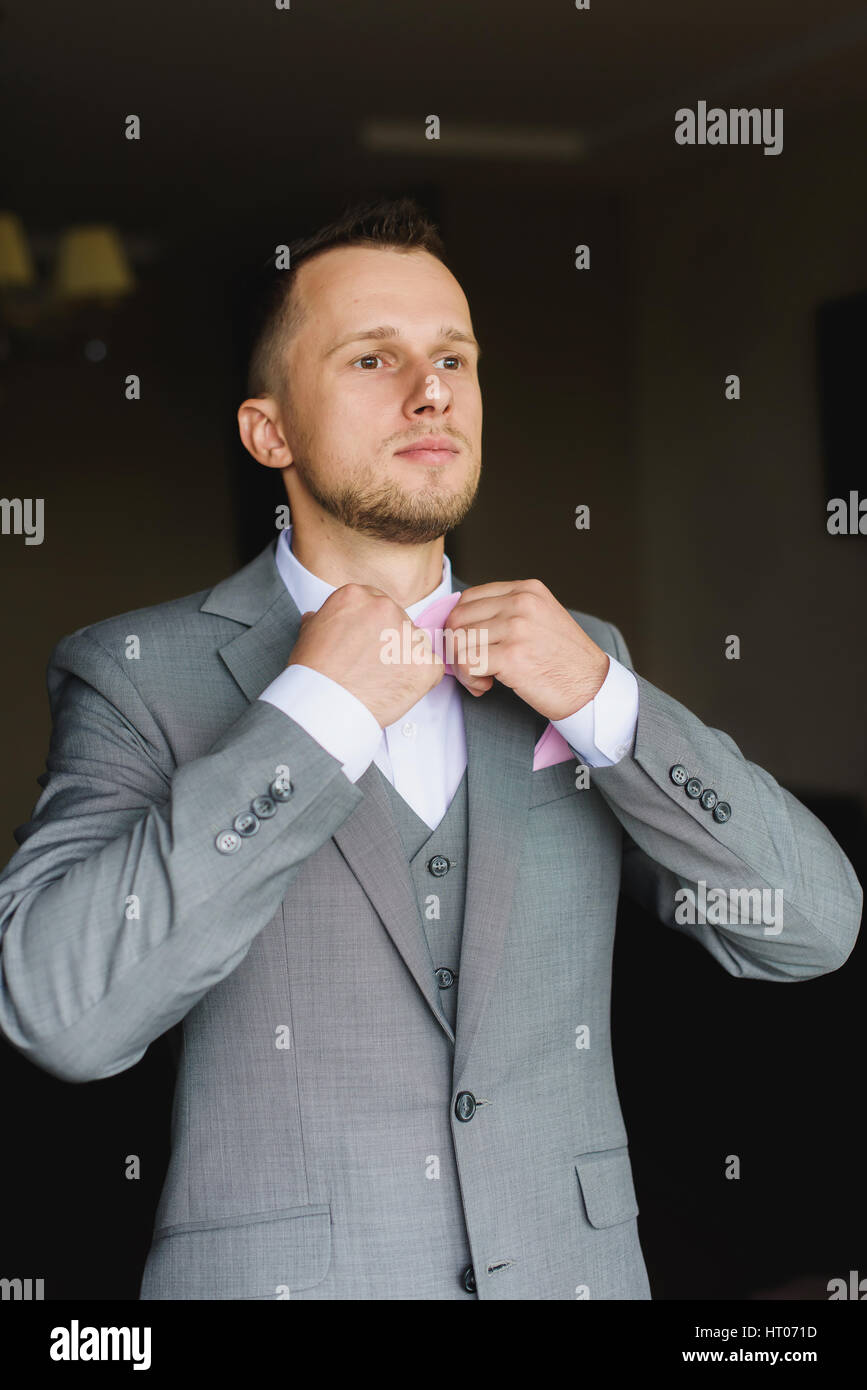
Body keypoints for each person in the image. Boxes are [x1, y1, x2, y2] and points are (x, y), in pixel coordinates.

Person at [0, 197, 860, 1301]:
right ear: (269, 432)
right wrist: (314, 715)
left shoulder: (579, 659)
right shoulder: (133, 671)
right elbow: (61, 1014)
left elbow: (814, 930)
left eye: (454, 356)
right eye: (373, 358)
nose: (433, 390)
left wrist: (605, 701)